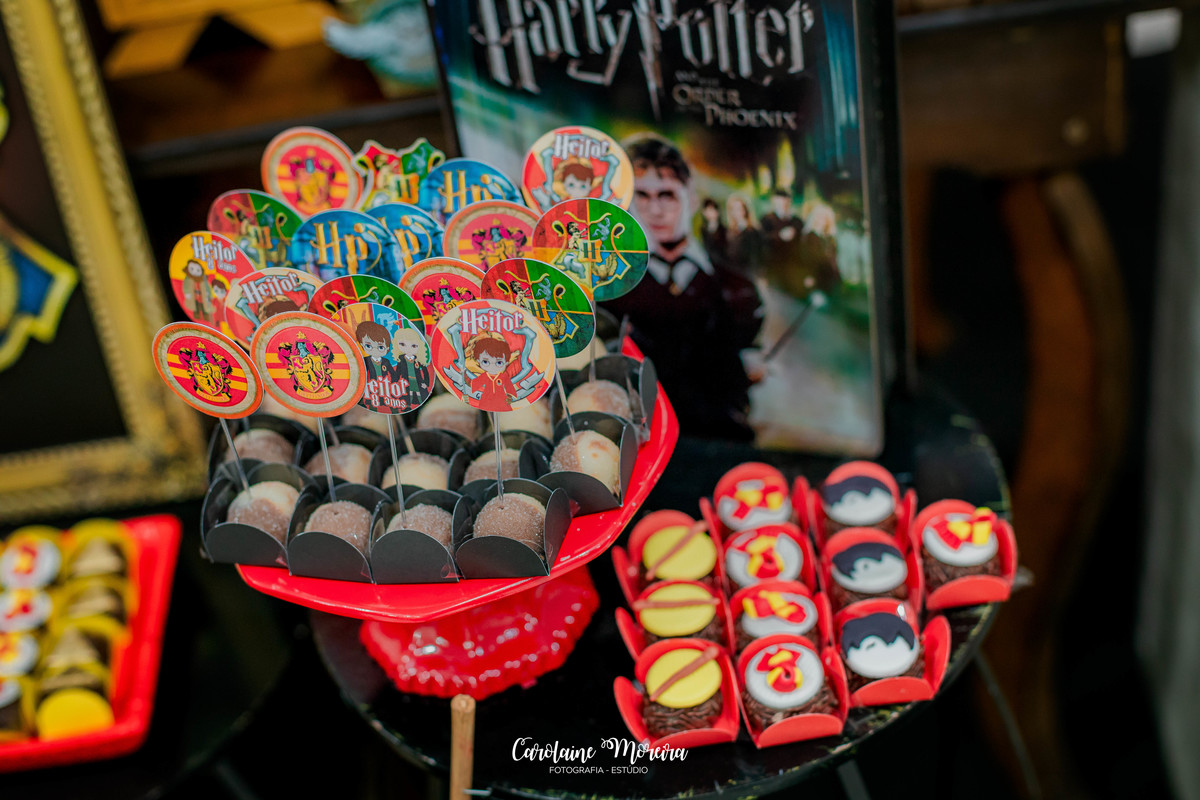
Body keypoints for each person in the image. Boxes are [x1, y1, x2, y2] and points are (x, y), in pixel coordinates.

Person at [608, 133, 761, 439]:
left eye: (667, 195)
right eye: (642, 196)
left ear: (691, 198)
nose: (655, 210)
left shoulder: (737, 287)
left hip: (721, 440)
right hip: (641, 445)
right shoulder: (609, 289)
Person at [724, 193, 763, 279]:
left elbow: (757, 256)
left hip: (751, 275)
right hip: (737, 275)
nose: (737, 212)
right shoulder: (730, 232)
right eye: (733, 209)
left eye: (739, 208)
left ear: (745, 210)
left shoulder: (753, 231)